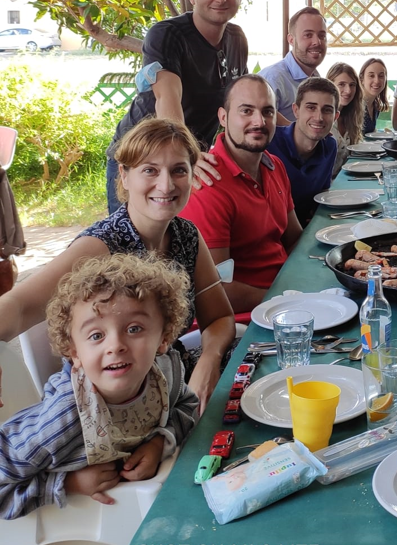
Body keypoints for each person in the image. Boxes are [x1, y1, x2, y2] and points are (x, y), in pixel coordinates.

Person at [0, 119, 235, 413]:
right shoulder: (100, 246)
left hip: (169, 386)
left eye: (178, 170)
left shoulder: (186, 235)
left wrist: (208, 362)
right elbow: (19, 305)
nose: (166, 184)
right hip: (112, 406)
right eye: (150, 170)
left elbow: (220, 317)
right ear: (124, 176)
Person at [0, 254, 198, 519]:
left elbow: (187, 405)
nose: (115, 345)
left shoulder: (164, 373)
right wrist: (68, 484)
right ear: (75, 353)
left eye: (134, 328)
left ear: (163, 339)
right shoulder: (64, 419)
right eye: (96, 335)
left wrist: (161, 442)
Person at [106, 0, 248, 214]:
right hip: (140, 159)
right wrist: (188, 155)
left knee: (180, 239)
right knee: (132, 244)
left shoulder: (236, 38)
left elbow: (240, 100)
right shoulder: (167, 34)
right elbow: (167, 99)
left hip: (185, 159)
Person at [181, 76, 303, 314]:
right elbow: (214, 289)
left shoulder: (274, 165)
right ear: (223, 117)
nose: (259, 121)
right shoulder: (206, 185)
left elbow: (294, 238)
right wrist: (285, 299)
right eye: (246, 111)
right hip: (244, 321)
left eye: (268, 112)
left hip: (285, 296)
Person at [267, 78, 338, 224]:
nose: (318, 117)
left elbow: (322, 195)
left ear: (335, 117)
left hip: (306, 231)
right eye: (311, 107)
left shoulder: (330, 147)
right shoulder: (269, 142)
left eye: (327, 110)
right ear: (296, 110)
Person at [259, 7, 328, 125]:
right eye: (308, 35)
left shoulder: (316, 77)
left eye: (322, 36)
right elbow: (259, 119)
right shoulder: (272, 78)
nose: (317, 42)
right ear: (291, 40)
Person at [327, 62, 364, 177]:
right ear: (330, 86)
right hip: (325, 187)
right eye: (342, 84)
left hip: (345, 178)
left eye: (352, 85)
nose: (348, 90)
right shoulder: (323, 119)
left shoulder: (351, 116)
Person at [360, 57, 389, 135]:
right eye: (371, 76)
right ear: (362, 79)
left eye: (381, 76)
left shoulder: (375, 105)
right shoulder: (356, 105)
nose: (377, 81)